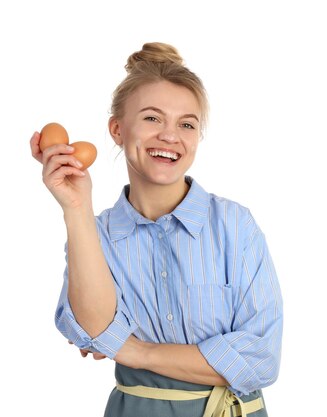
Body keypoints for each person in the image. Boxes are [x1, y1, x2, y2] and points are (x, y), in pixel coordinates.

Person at [30, 42, 283, 417]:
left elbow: (260, 359)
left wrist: (136, 350)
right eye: (152, 118)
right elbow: (92, 329)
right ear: (117, 129)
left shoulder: (234, 225)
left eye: (186, 124)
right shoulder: (95, 235)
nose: (170, 135)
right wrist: (76, 208)